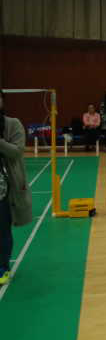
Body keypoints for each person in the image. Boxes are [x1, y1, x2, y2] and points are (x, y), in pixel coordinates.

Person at [0, 90, 33, 286]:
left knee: (2, 228)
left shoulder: (13, 124)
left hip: (5, 187)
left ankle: (3, 267)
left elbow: (17, 151)